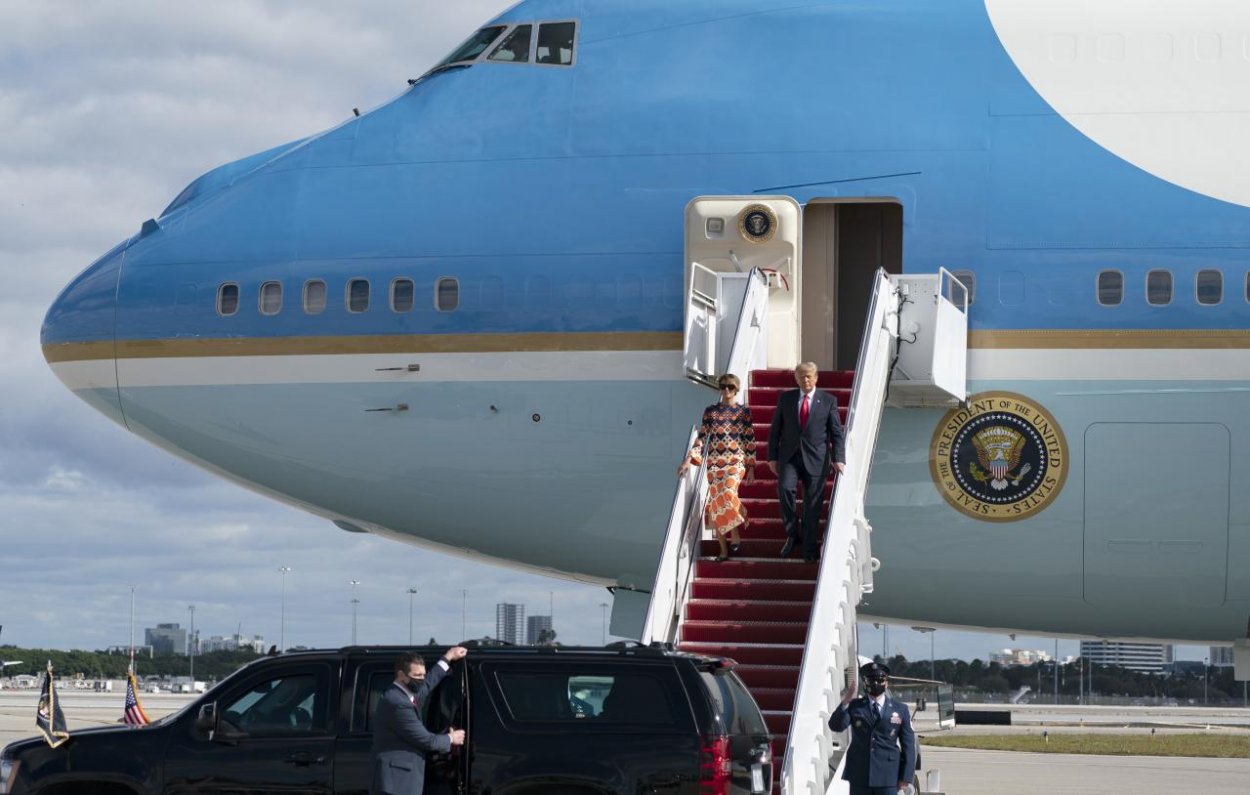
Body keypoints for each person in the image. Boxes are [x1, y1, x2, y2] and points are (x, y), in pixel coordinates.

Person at [764, 362, 846, 563]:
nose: (805, 380)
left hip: (816, 459)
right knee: (784, 489)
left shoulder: (828, 401)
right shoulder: (786, 398)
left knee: (812, 506)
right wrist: (772, 456)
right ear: (796, 379)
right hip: (789, 457)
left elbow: (836, 433)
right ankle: (793, 533)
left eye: (809, 376)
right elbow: (775, 430)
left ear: (816, 378)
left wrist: (839, 458)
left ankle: (809, 550)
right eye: (801, 377)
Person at [678, 373, 756, 561]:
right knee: (717, 505)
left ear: (736, 389)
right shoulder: (711, 411)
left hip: (736, 460)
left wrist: (751, 466)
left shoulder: (743, 412)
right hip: (714, 463)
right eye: (723, 386)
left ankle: (738, 525)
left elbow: (749, 439)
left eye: (730, 386)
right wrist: (689, 460)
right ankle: (723, 550)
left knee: (728, 494)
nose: (726, 390)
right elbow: (703, 437)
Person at [370, 647, 468, 795]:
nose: (421, 679)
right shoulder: (398, 703)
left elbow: (427, 684)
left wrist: (448, 657)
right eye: (417, 675)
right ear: (401, 675)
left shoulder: (404, 694)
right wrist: (451, 738)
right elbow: (426, 740)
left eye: (423, 674)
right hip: (396, 784)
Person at [828, 661, 916, 795]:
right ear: (865, 683)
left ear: (886, 683)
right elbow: (836, 726)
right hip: (860, 776)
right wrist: (846, 701)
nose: (876, 684)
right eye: (871, 680)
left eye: (880, 680)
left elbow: (909, 745)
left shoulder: (900, 709)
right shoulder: (855, 706)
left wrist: (906, 776)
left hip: (888, 776)